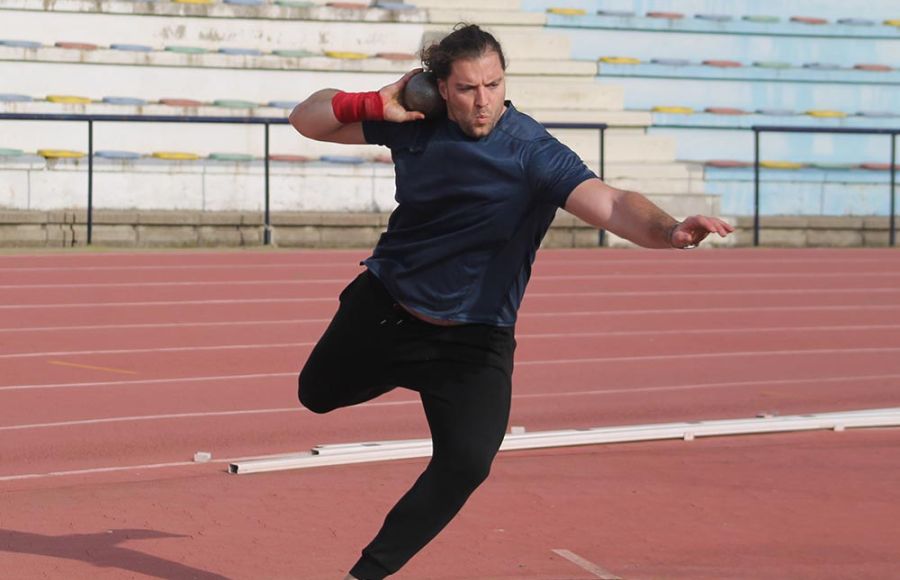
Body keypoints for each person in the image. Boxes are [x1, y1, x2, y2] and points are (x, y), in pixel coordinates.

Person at [290, 23, 733, 580]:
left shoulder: (531, 151)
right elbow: (306, 120)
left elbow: (613, 203)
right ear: (441, 88)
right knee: (315, 395)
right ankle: (394, 370)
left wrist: (670, 230)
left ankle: (367, 574)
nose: (484, 101)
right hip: (387, 308)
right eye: (470, 88)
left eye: (494, 85)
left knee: (467, 463)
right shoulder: (412, 124)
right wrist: (374, 102)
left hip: (473, 340)